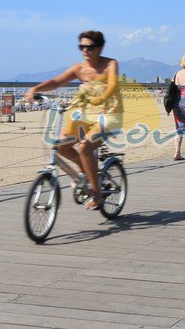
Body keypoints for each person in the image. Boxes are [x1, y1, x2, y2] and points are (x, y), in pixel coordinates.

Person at [23, 30, 123, 211]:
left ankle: (97, 193)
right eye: (81, 47)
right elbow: (56, 81)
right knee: (61, 144)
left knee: (85, 147)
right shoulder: (79, 69)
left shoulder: (110, 64)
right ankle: (84, 169)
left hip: (110, 115)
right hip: (87, 115)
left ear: (100, 48)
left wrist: (101, 99)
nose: (85, 50)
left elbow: (113, 85)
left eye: (90, 47)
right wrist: (35, 88)